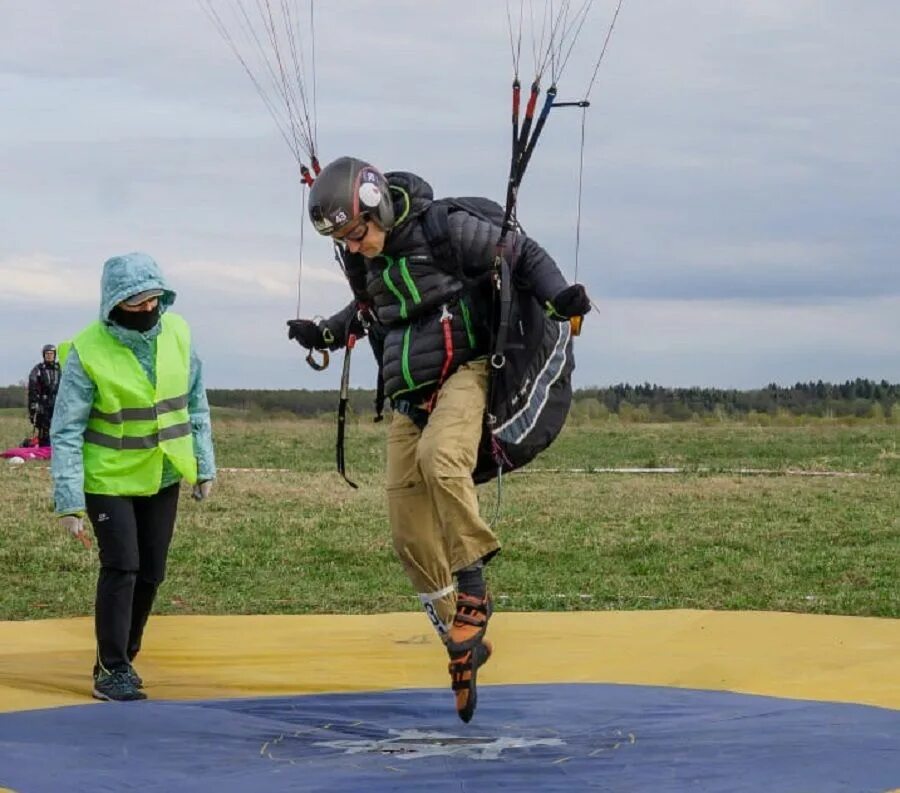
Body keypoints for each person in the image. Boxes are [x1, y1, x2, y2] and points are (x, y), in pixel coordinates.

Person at [287, 156, 591, 722]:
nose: (354, 247)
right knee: (407, 532)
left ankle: (474, 590)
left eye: (357, 233)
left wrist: (559, 296)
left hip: (466, 372)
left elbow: (517, 252)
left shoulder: (442, 227)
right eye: (344, 241)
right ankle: (462, 637)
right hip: (409, 395)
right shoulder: (367, 262)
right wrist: (324, 333)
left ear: (376, 206)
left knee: (441, 459)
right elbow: (366, 313)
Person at [50, 252, 216, 702]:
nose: (147, 310)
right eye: (137, 302)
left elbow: (196, 404)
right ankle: (111, 668)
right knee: (122, 565)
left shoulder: (179, 334)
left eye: (154, 300)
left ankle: (128, 655)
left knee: (152, 572)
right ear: (115, 303)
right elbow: (65, 429)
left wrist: (204, 465)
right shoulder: (88, 350)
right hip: (108, 480)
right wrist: (68, 499)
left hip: (163, 474)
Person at [27, 344, 61, 446]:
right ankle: (44, 448)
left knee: (58, 426)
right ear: (43, 355)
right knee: (44, 426)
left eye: (51, 354)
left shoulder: (60, 368)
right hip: (44, 403)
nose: (49, 356)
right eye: (47, 354)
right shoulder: (38, 369)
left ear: (55, 355)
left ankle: (56, 447)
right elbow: (32, 387)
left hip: (58, 402)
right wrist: (33, 404)